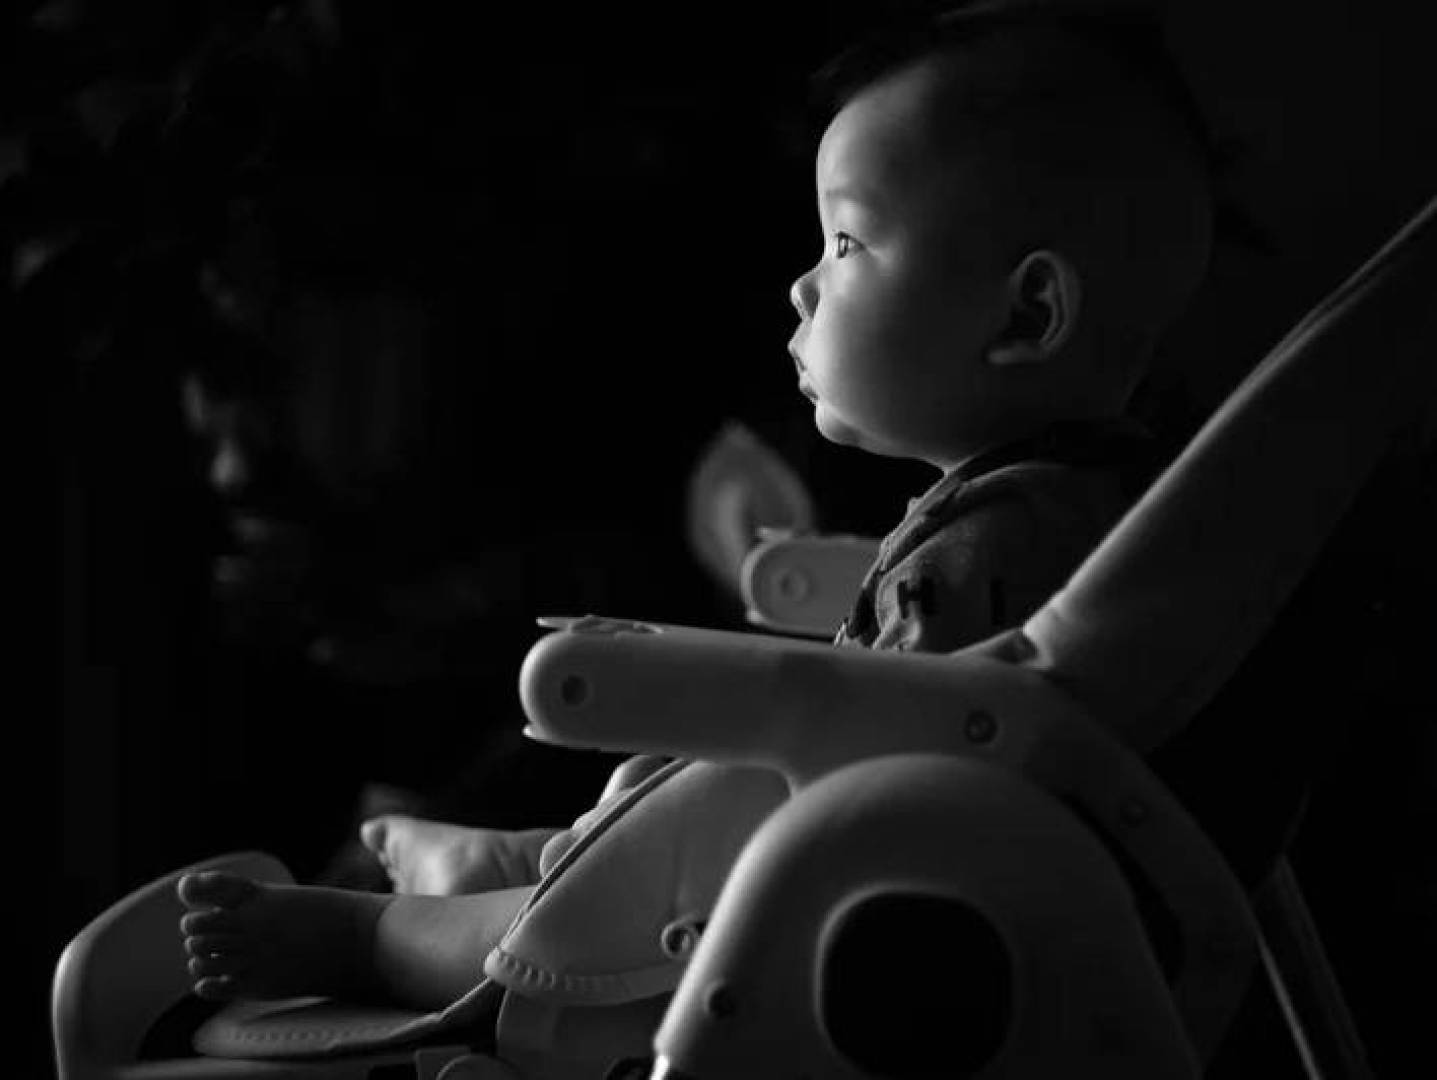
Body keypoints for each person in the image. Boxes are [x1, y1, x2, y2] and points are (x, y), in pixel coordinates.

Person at [176, 5, 1222, 1014]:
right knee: (666, 788)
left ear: (1027, 314)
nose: (803, 288)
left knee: (650, 850)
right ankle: (527, 861)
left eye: (846, 245)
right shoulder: (1080, 505)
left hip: (852, 908)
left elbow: (899, 741)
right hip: (878, 866)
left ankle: (372, 939)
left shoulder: (1006, 539)